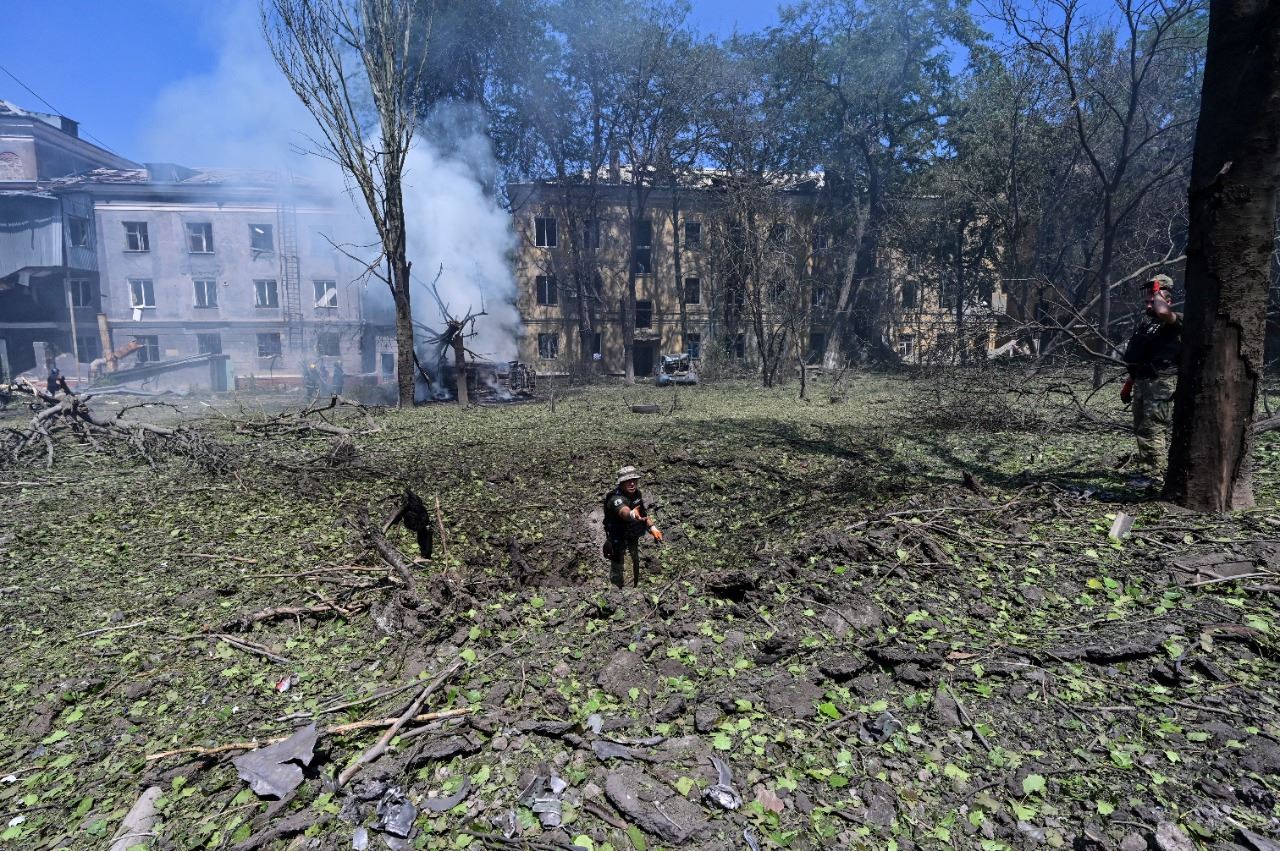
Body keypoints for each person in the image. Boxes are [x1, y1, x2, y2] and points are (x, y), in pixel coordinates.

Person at [1120, 274, 1182, 485]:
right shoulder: (1147, 325)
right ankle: (1147, 470)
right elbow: (1138, 358)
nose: (1148, 304)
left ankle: (1155, 476)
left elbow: (1163, 312)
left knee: (1152, 429)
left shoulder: (1174, 320)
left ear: (1167, 301)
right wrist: (1129, 384)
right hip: (1142, 382)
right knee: (1140, 428)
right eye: (1146, 301)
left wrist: (1158, 291)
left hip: (1161, 383)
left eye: (1152, 300)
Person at [602, 465, 663, 587]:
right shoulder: (615, 498)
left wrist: (652, 527)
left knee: (634, 566)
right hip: (618, 543)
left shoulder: (636, 494)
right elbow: (623, 511)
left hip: (632, 538)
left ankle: (632, 589)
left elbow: (643, 514)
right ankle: (622, 593)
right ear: (621, 483)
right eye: (628, 481)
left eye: (634, 480)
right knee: (623, 574)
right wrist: (631, 514)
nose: (632, 484)